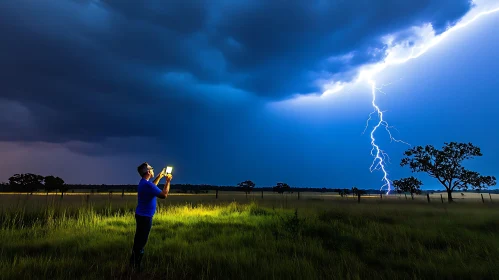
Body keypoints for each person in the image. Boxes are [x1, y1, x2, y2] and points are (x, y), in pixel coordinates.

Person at [129, 162, 172, 272]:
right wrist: (167, 181)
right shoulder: (147, 185)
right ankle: (136, 267)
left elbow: (152, 186)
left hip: (141, 215)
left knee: (138, 240)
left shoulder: (144, 183)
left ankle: (133, 264)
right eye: (151, 168)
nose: (153, 170)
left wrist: (160, 176)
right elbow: (164, 195)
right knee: (141, 241)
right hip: (145, 217)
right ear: (148, 172)